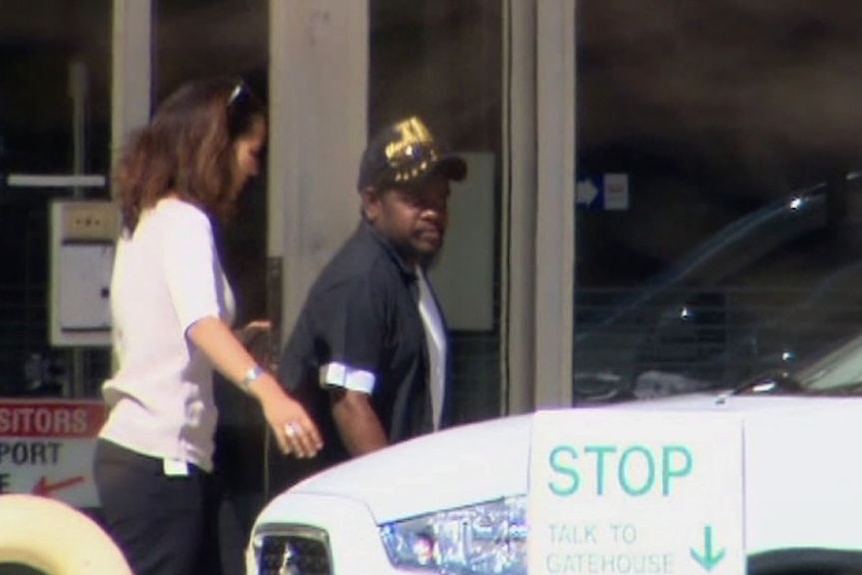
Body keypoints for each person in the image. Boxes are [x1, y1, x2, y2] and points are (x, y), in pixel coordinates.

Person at [92, 77, 323, 575]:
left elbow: (169, 335)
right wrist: (270, 393)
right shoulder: (184, 221)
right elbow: (200, 324)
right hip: (160, 458)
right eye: (251, 151)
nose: (254, 168)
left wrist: (234, 346)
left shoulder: (151, 219)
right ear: (217, 146)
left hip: (155, 460)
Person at [273, 116, 467, 484]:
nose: (434, 212)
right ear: (372, 202)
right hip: (352, 504)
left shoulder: (407, 272)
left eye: (441, 199)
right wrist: (392, 495)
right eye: (415, 200)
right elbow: (349, 403)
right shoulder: (362, 279)